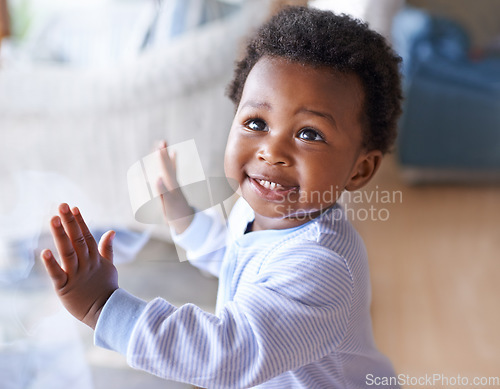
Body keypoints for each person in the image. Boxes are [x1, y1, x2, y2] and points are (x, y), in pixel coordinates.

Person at [41, 6, 403, 388]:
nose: (271, 150)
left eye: (309, 134)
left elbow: (228, 354)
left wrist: (104, 307)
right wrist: (184, 219)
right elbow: (237, 258)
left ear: (360, 169)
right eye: (256, 123)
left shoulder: (321, 266)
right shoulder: (266, 211)